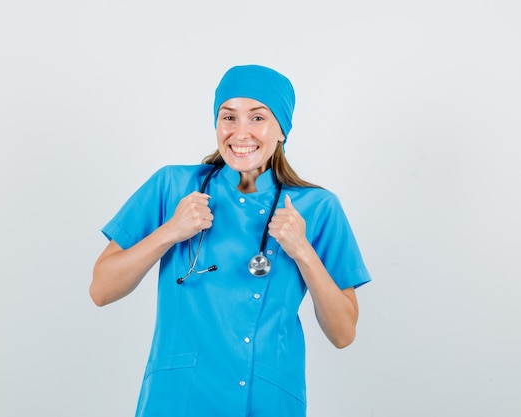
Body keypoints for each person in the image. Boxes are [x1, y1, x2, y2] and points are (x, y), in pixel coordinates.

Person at [90, 64, 371, 417]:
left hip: (267, 401)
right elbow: (101, 289)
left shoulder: (317, 207)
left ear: (282, 130)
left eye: (257, 118)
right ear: (216, 124)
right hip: (177, 398)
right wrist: (170, 232)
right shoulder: (173, 186)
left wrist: (303, 253)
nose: (241, 133)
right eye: (228, 117)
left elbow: (343, 334)